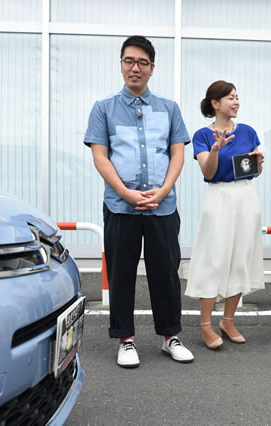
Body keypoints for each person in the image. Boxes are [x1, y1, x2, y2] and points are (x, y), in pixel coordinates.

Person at [84, 35, 194, 368]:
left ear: (152, 68)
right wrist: (125, 192)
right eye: (129, 61)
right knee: (121, 273)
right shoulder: (103, 108)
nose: (136, 68)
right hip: (121, 205)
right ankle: (125, 339)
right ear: (121, 65)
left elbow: (177, 153)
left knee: (166, 272)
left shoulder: (169, 108)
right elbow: (101, 157)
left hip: (163, 205)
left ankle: (170, 336)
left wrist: (164, 190)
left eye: (142, 62)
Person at [185, 80, 265, 349]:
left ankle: (228, 321)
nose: (236, 102)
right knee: (213, 259)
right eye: (230, 97)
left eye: (237, 97)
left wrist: (258, 164)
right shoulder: (202, 135)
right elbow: (208, 172)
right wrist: (216, 149)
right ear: (215, 103)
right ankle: (206, 325)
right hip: (218, 196)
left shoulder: (248, 131)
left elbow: (253, 172)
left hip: (246, 194)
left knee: (241, 257)